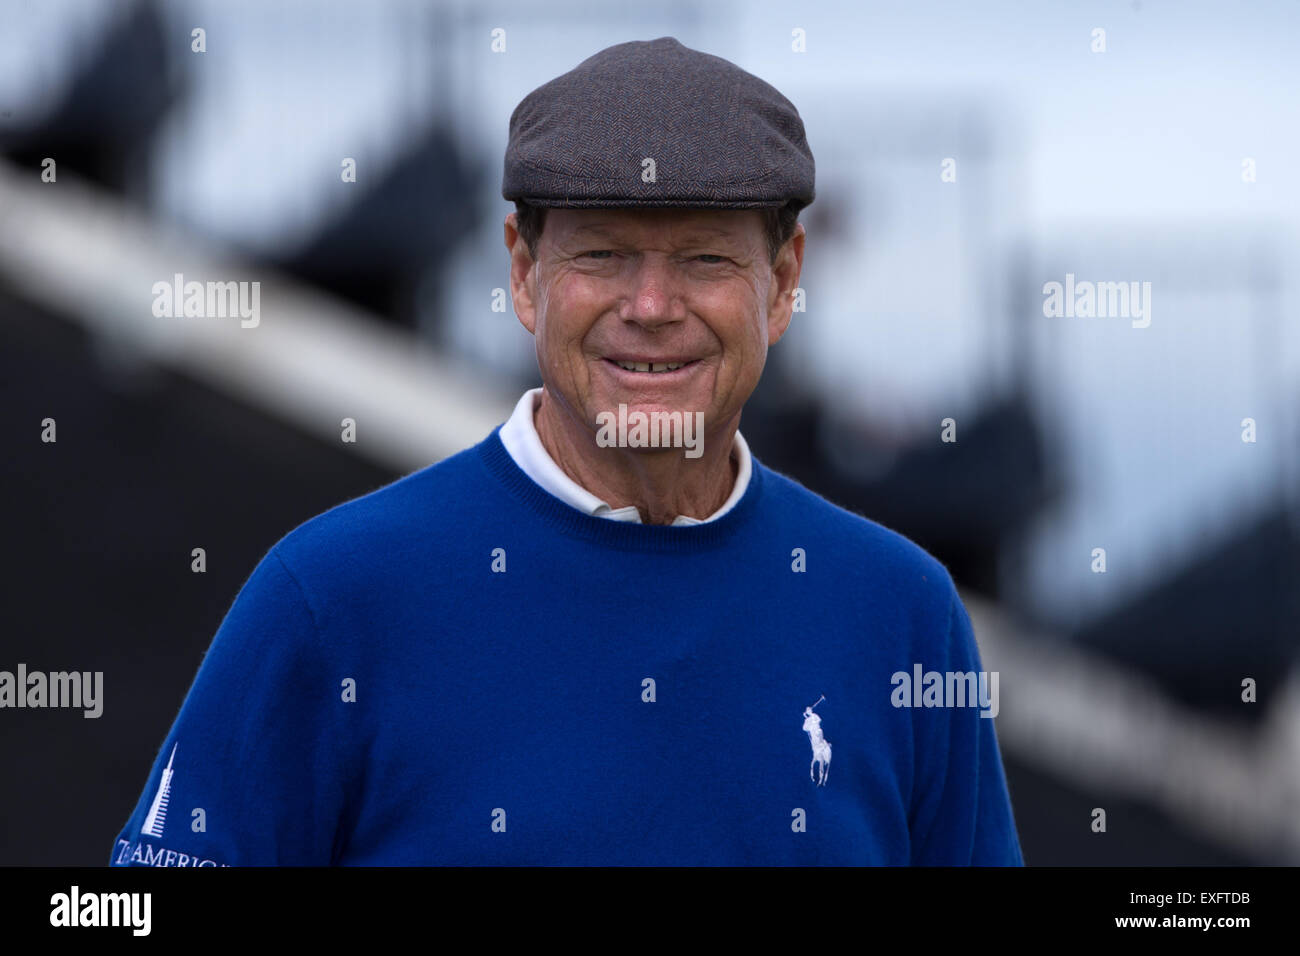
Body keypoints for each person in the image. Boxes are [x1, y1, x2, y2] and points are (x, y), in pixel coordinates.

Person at [109, 36, 1023, 866]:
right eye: (604, 256)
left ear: (782, 286)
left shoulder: (905, 618)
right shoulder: (330, 598)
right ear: (522, 273)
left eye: (706, 259)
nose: (653, 306)